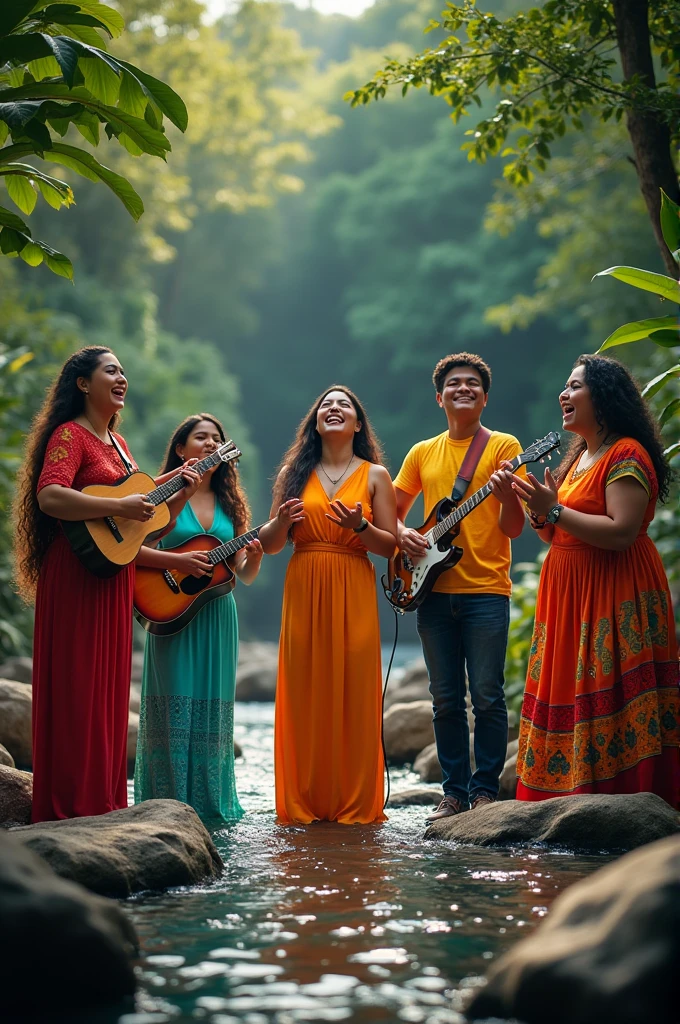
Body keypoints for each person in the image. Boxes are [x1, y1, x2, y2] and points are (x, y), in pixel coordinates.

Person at [13, 346, 200, 823]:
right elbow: (51, 496)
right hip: (75, 573)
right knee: (77, 686)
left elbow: (140, 527)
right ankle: (68, 806)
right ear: (83, 383)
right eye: (111, 370)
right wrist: (120, 507)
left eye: (124, 371)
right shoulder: (69, 434)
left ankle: (104, 802)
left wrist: (175, 493)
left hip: (113, 578)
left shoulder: (120, 446)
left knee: (108, 692)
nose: (122, 378)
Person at [512, 354, 680, 807]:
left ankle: (625, 800)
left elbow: (622, 531)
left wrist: (554, 509)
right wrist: (538, 507)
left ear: (602, 398)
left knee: (611, 685)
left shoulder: (626, 452)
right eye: (564, 387)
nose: (563, 395)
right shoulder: (579, 458)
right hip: (568, 593)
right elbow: (555, 531)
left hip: (612, 587)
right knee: (567, 687)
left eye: (574, 387)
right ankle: (562, 797)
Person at [393, 353, 525, 821]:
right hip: (432, 591)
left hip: (487, 590)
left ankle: (485, 790)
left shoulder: (504, 446)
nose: (463, 388)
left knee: (487, 693)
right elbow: (390, 507)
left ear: (485, 397)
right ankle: (453, 793)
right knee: (445, 697)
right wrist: (403, 533)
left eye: (472, 383)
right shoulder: (422, 452)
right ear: (439, 396)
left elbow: (514, 528)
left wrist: (507, 493)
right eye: (454, 383)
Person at [260, 386, 397, 824]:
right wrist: (279, 522)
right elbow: (271, 545)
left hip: (353, 583)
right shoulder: (291, 473)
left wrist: (360, 526)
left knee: (354, 689)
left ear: (358, 424)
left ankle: (354, 803)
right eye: (326, 404)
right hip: (304, 584)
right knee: (305, 692)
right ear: (315, 421)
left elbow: (391, 547)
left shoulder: (376, 475)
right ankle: (305, 801)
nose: (334, 408)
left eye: (345, 405)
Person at [134, 414, 262, 825]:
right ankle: (164, 805)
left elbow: (243, 573)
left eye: (217, 438)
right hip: (170, 611)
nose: (210, 443)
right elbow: (132, 550)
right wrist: (179, 561)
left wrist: (254, 557)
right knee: (173, 702)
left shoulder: (231, 503)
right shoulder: (162, 492)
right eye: (200, 437)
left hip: (218, 614)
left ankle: (210, 806)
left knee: (212, 707)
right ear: (180, 449)